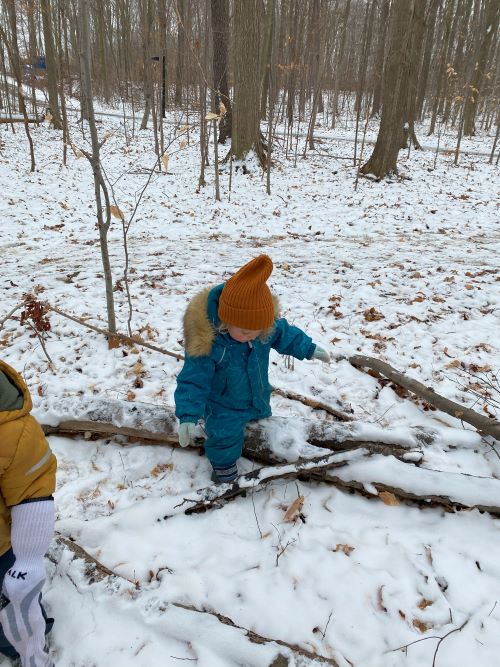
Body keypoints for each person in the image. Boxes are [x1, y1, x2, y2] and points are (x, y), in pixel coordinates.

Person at [174, 254, 330, 484]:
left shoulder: (261, 327)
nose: (253, 335)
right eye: (245, 332)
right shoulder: (210, 344)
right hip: (222, 404)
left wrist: (308, 348)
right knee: (223, 436)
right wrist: (187, 415)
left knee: (260, 420)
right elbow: (193, 380)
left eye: (258, 330)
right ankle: (223, 469)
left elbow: (285, 333)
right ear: (225, 322)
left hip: (257, 396)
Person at [0, 360, 57, 667]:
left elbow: (31, 487)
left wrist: (29, 559)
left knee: (16, 600)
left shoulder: (10, 428)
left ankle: (21, 645)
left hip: (1, 550)